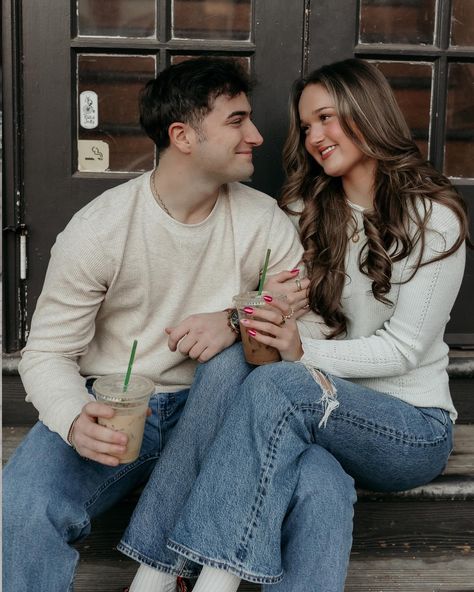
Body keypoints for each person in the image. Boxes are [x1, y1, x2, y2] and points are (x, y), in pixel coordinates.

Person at [117, 58, 470, 592]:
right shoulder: (305, 208)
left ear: (366, 113)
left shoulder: (433, 219)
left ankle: (191, 575)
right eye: (307, 126)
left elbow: (402, 351)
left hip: (407, 428)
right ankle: (158, 574)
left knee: (280, 381)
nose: (315, 137)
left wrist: (298, 352)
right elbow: (279, 307)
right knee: (314, 476)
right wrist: (250, 318)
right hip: (318, 414)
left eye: (326, 118)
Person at [2, 57, 321, 592]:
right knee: (21, 507)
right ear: (183, 135)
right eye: (237, 121)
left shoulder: (264, 220)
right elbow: (47, 354)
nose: (258, 136)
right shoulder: (100, 230)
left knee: (317, 488)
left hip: (223, 415)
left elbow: (305, 335)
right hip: (120, 408)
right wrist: (74, 416)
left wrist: (232, 320)